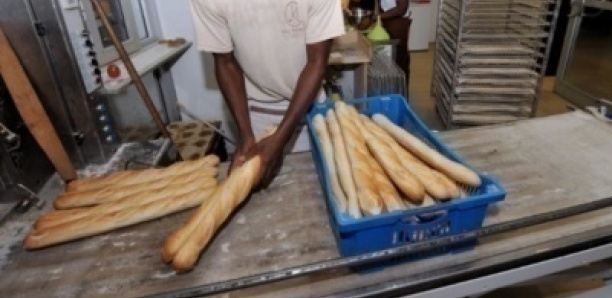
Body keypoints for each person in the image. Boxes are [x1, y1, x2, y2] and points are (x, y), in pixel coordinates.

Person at [190, 0, 345, 188]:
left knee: (315, 189)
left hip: (309, 109)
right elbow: (225, 62)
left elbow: (316, 63)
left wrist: (280, 139)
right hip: (255, 113)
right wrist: (246, 136)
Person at [352, 0, 411, 87]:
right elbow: (378, 5)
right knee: (387, 61)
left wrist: (376, 17)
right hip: (385, 20)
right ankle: (388, 89)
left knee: (399, 61)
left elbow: (402, 9)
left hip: (398, 22)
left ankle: (401, 93)